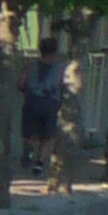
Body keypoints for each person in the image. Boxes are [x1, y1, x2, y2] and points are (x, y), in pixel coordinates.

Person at [22, 36, 69, 190]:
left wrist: (27, 89)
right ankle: (40, 162)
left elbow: (21, 83)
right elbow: (66, 86)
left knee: (29, 132)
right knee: (48, 137)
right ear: (55, 52)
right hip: (50, 104)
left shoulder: (31, 65)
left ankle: (29, 150)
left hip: (32, 102)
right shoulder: (61, 68)